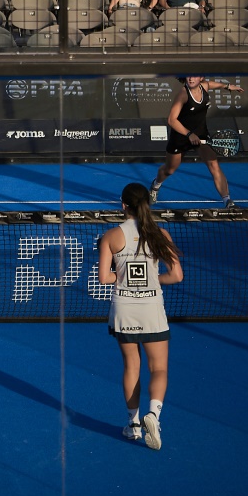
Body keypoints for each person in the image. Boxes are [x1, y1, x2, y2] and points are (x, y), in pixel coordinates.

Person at [98, 183, 184, 451]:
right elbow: (176, 275)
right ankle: (153, 416)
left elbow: (104, 278)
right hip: (152, 309)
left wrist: (123, 278)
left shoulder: (111, 236)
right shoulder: (160, 234)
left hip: (123, 308)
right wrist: (152, 279)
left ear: (123, 205)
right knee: (158, 368)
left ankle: (134, 424)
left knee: (131, 366)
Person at [149, 76, 245, 208]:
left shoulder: (204, 86)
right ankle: (155, 185)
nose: (191, 79)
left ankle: (227, 201)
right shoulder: (183, 94)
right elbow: (172, 120)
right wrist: (189, 134)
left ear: (201, 78)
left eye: (194, 76)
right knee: (169, 170)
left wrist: (227, 86)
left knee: (214, 166)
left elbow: (212, 84)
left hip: (201, 135)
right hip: (181, 137)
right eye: (189, 75)